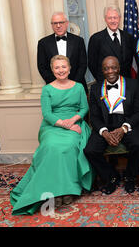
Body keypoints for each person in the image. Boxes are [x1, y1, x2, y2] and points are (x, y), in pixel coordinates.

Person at [10, 55, 93, 215]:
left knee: (69, 146)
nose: (61, 70)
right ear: (52, 70)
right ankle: (53, 190)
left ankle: (69, 189)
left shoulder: (79, 87)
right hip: (53, 125)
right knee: (51, 146)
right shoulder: (47, 89)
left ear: (69, 68)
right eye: (57, 67)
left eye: (63, 67)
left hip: (75, 122)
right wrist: (64, 124)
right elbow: (47, 114)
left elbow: (84, 108)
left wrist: (73, 120)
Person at [84, 56, 139, 194]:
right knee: (90, 150)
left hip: (126, 123)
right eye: (106, 68)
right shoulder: (95, 88)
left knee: (138, 145)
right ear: (102, 71)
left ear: (119, 68)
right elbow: (93, 116)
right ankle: (111, 177)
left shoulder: (133, 85)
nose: (110, 71)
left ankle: (130, 177)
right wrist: (104, 132)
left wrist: (124, 128)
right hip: (104, 124)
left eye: (113, 67)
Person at [37, 12, 88, 91]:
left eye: (61, 22)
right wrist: (57, 85)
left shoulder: (78, 41)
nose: (58, 26)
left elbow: (83, 65)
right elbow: (42, 67)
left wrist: (72, 84)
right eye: (55, 23)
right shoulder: (43, 43)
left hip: (76, 87)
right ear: (52, 25)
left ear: (67, 23)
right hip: (54, 89)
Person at [88, 5, 135, 82]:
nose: (113, 21)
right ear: (105, 19)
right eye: (110, 18)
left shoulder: (128, 37)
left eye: (115, 17)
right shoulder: (96, 38)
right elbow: (92, 64)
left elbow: (130, 62)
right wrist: (101, 80)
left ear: (119, 18)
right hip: (105, 83)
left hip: (126, 82)